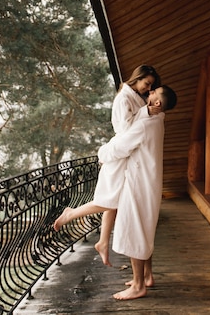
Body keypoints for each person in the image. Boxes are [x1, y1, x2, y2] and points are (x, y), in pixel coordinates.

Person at [54, 86, 177, 300]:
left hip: (138, 185)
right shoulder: (157, 121)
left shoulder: (147, 126)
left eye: (153, 92)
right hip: (147, 183)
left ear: (157, 103)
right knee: (143, 230)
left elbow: (120, 147)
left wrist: (101, 153)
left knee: (135, 231)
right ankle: (146, 277)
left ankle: (138, 285)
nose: (149, 93)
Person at [54, 65, 161, 267]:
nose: (148, 89)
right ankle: (71, 214)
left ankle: (102, 242)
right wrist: (145, 112)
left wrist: (146, 112)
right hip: (120, 153)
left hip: (126, 154)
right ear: (137, 78)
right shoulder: (124, 98)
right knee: (110, 199)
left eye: (151, 86)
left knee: (115, 199)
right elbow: (125, 129)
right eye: (147, 83)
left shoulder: (136, 97)